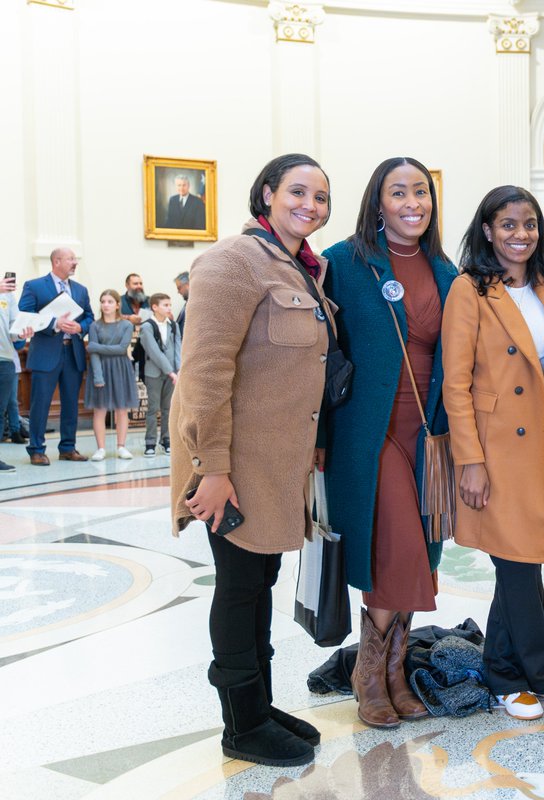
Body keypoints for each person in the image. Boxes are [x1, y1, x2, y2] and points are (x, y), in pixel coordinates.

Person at [170, 153, 332, 767]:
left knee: (259, 584)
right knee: (238, 590)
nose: (309, 206)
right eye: (297, 192)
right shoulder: (232, 261)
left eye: (320, 198)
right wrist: (212, 469)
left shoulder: (297, 267)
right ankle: (240, 726)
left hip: (273, 467)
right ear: (266, 193)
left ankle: (259, 704)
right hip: (231, 468)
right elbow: (205, 373)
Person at [441, 185, 544, 720]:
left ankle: (501, 666)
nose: (520, 235)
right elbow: (455, 384)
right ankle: (536, 670)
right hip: (495, 444)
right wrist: (471, 460)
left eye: (528, 224)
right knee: (517, 562)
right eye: (507, 225)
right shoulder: (470, 290)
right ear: (487, 230)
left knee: (522, 557)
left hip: (540, 442)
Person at [321, 157, 457, 728]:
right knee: (397, 544)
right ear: (378, 202)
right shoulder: (342, 262)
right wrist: (318, 439)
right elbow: (319, 355)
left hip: (429, 431)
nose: (411, 203)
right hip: (367, 429)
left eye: (420, 192)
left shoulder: (447, 270)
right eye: (397, 192)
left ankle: (394, 672)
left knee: (420, 550)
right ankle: (369, 672)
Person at [19, 248, 93, 466]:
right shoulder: (34, 286)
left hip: (73, 352)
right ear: (56, 261)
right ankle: (36, 449)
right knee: (40, 403)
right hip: (45, 353)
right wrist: (54, 323)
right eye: (71, 259)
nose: (75, 262)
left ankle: (68, 448)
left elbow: (90, 316)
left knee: (71, 403)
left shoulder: (80, 289)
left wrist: (81, 326)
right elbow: (25, 316)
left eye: (75, 258)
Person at [85, 290, 137, 461]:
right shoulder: (94, 326)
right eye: (103, 301)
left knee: (122, 409)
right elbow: (93, 354)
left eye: (109, 301)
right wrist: (98, 377)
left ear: (117, 304)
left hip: (120, 368)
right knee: (99, 410)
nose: (105, 305)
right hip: (100, 368)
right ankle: (101, 448)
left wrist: (96, 346)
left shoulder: (127, 325)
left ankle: (121, 446)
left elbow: (122, 349)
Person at [140, 293, 181, 457]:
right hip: (154, 373)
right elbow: (154, 352)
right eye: (165, 305)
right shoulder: (147, 327)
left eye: (170, 305)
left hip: (173, 374)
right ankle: (150, 442)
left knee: (168, 408)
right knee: (152, 408)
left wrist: (178, 370)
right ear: (155, 307)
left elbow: (178, 348)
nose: (169, 308)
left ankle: (167, 440)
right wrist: (170, 372)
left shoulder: (174, 325)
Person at [0, 273, 33, 470]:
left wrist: (22, 332)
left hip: (4, 359)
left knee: (0, 410)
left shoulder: (8, 296)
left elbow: (13, 329)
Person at [174, 271, 190, 338]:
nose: (178, 292)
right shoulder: (186, 304)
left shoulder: (198, 305)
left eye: (179, 288)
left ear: (188, 285)